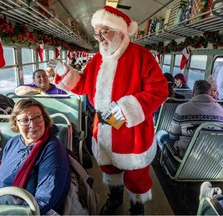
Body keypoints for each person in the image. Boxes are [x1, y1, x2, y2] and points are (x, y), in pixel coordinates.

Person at [48, 6, 168, 215]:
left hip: (132, 129)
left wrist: (126, 109)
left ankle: (137, 208)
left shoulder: (141, 55)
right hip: (103, 126)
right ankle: (114, 199)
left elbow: (159, 90)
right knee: (109, 169)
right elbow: (83, 85)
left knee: (136, 173)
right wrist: (63, 72)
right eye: (98, 32)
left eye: (105, 31)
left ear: (120, 31)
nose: (100, 37)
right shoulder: (97, 59)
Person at [0, 98, 71, 215]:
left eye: (37, 117)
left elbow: (44, 200)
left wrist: (9, 211)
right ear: (16, 123)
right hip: (3, 201)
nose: (32, 124)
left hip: (30, 209)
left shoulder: (52, 149)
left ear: (44, 119)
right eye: (25, 120)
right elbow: (0, 182)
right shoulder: (12, 143)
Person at [156, 80, 223, 157]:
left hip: (185, 154)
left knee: (160, 134)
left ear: (193, 93)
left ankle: (167, 159)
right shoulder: (220, 109)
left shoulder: (182, 108)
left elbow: (173, 136)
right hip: (210, 157)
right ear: (209, 93)